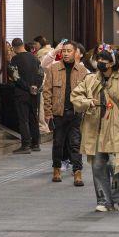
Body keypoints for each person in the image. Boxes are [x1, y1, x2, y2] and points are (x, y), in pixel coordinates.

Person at [70, 48, 119, 212]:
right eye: (98, 60)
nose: (100, 63)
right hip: (94, 128)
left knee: (117, 165)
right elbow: (75, 96)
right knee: (98, 166)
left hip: (115, 128)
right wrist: (87, 102)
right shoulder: (90, 79)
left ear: (112, 63)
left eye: (104, 60)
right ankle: (103, 200)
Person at [42, 41, 89, 186]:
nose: (66, 53)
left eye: (69, 51)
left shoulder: (82, 71)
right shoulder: (53, 68)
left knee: (75, 143)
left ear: (76, 53)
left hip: (76, 112)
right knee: (58, 143)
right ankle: (56, 169)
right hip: (58, 113)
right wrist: (48, 112)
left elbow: (87, 92)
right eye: (64, 51)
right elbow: (47, 91)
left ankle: (77, 172)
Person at [8, 38, 43, 154]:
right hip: (35, 93)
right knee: (34, 118)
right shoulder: (35, 57)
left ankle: (25, 145)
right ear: (23, 45)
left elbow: (15, 76)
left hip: (21, 94)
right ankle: (36, 143)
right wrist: (35, 87)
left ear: (13, 47)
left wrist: (27, 87)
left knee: (24, 119)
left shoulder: (15, 59)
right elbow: (41, 74)